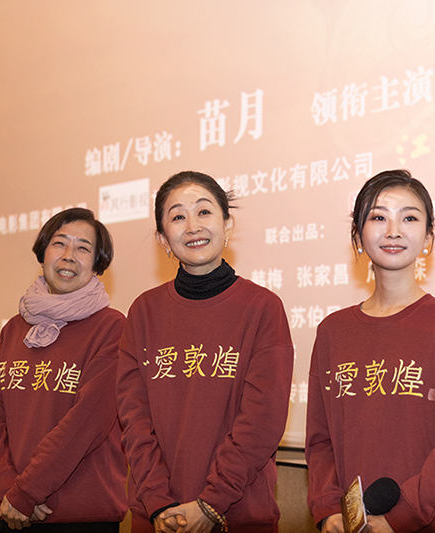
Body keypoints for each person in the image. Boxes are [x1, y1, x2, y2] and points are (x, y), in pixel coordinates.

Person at [305, 170, 435, 533]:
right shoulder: (332, 331)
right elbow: (320, 440)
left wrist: (399, 516)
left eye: (409, 218)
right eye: (378, 218)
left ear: (429, 237)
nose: (393, 231)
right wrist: (328, 509)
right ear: (358, 236)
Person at [116, 170, 294, 533]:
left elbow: (263, 420)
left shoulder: (262, 307)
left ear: (227, 224)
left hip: (238, 514)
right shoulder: (143, 312)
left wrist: (211, 503)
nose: (193, 226)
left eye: (204, 212)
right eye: (178, 217)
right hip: (157, 518)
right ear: (163, 239)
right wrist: (158, 501)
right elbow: (134, 419)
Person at [0, 207, 128, 532]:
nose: (69, 255)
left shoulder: (112, 328)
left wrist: (26, 492)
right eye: (60, 243)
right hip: (12, 511)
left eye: (83, 247)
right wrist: (8, 488)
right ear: (43, 253)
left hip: (80, 516)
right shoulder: (15, 329)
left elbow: (85, 424)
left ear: (97, 263)